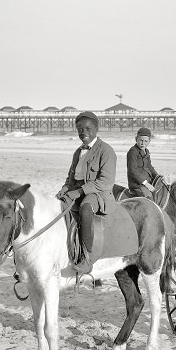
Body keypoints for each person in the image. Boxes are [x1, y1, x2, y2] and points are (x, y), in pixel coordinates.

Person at [56, 112, 117, 274]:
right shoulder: (78, 152)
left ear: (97, 129)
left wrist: (79, 192)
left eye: (88, 129)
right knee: (59, 206)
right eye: (80, 129)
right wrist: (65, 190)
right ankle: (67, 250)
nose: (83, 132)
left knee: (85, 207)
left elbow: (106, 181)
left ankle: (87, 258)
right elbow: (71, 178)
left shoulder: (106, 151)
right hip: (77, 189)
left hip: (99, 193)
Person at [126, 127, 168, 199]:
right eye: (141, 140)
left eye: (146, 141)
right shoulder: (133, 152)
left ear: (149, 141)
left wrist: (158, 177)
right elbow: (132, 171)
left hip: (148, 181)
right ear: (136, 139)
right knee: (148, 199)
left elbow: (149, 167)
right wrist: (146, 184)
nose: (143, 143)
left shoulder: (147, 151)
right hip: (137, 184)